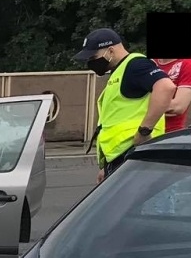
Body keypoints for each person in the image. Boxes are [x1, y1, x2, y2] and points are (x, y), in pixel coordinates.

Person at [74, 28, 175, 182]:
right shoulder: (120, 71)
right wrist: (107, 166)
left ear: (110, 51)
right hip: (122, 158)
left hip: (135, 154)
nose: (90, 62)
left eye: (93, 57)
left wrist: (144, 131)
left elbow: (166, 87)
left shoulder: (135, 65)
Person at [152, 51, 191, 133]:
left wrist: (140, 107)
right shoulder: (150, 62)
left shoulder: (190, 63)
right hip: (140, 130)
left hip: (168, 133)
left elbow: (177, 106)